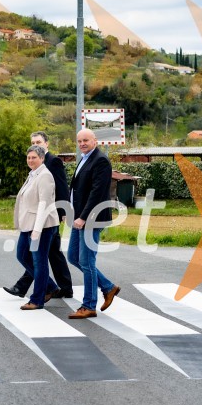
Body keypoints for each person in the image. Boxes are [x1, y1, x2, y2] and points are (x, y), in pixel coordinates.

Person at [4, 131, 73, 299]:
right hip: (38, 216)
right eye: (33, 142)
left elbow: (62, 187)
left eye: (39, 141)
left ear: (46, 144)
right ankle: (59, 287)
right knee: (48, 254)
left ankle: (50, 288)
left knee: (43, 254)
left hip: (49, 216)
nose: (36, 144)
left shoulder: (52, 161)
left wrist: (63, 211)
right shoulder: (34, 165)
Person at [66, 129, 120, 319]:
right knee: (73, 257)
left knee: (87, 262)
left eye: (86, 140)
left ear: (95, 141)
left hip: (91, 218)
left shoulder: (100, 160)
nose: (82, 143)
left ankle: (89, 305)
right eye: (79, 140)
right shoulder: (84, 158)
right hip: (79, 217)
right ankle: (107, 286)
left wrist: (83, 217)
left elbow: (97, 193)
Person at [14, 145, 61, 310]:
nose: (30, 160)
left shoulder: (45, 176)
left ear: (42, 158)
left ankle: (37, 299)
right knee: (22, 256)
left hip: (42, 226)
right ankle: (50, 287)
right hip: (28, 225)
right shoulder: (33, 175)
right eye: (28, 157)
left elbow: (44, 204)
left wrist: (37, 229)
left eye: (34, 157)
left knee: (39, 262)